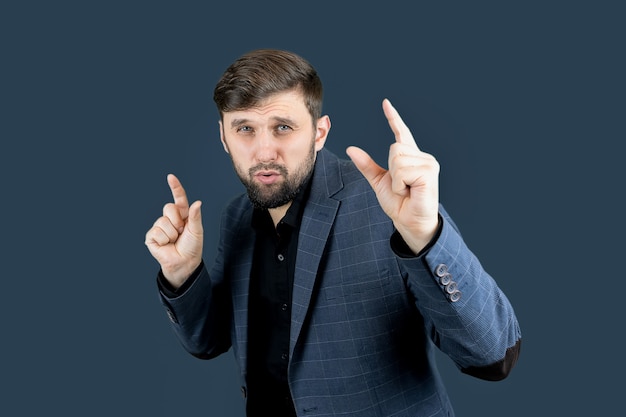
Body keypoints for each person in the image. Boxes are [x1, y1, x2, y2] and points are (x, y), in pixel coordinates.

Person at [145, 48, 521, 417]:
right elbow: (209, 342)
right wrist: (182, 275)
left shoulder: (386, 203)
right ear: (224, 137)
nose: (263, 152)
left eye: (283, 127)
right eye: (245, 129)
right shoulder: (236, 216)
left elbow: (493, 356)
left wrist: (425, 235)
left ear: (319, 133)